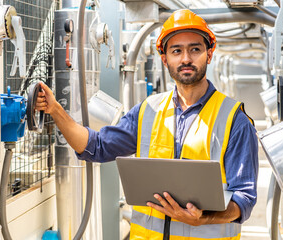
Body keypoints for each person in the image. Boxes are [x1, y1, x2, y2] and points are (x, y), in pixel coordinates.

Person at [35, 9, 258, 240]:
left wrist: (203, 218)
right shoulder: (148, 111)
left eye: (195, 49)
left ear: (208, 55)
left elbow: (244, 199)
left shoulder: (234, 120)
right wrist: (55, 110)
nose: (186, 59)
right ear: (165, 59)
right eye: (176, 51)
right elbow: (96, 147)